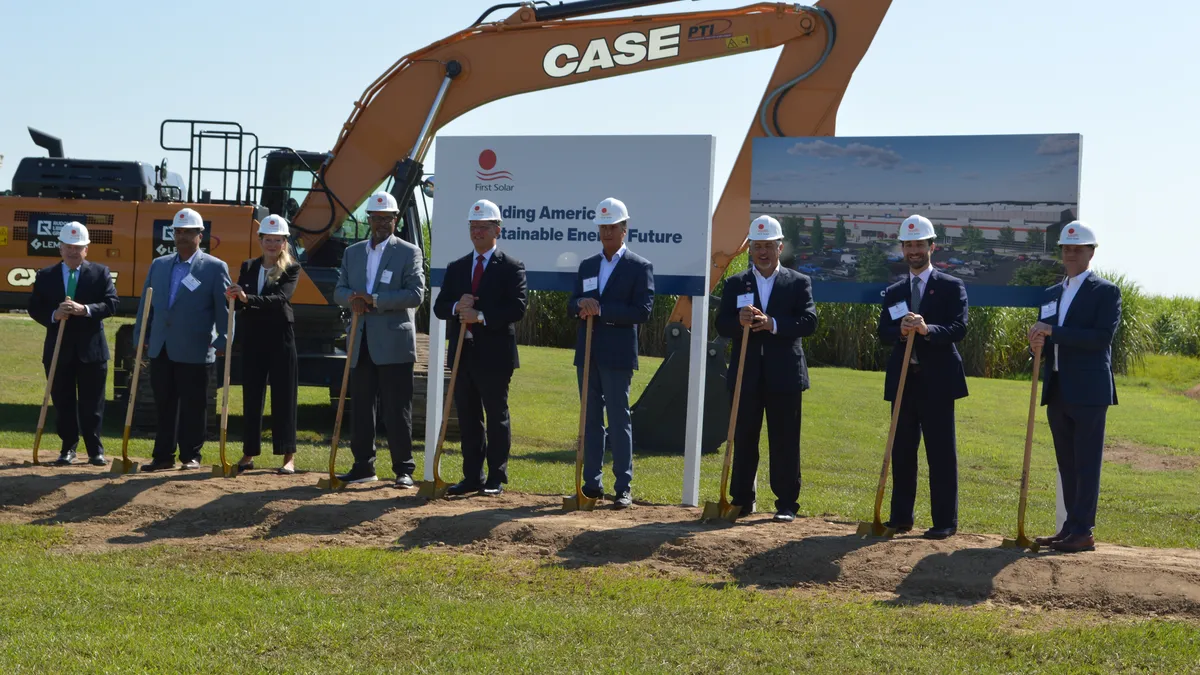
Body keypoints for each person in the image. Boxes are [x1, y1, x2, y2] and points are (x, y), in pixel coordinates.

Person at [715, 216, 818, 522]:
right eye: (757, 246)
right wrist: (740, 322)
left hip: (785, 374)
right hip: (746, 373)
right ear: (751, 249)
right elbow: (722, 324)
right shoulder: (736, 284)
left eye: (768, 246)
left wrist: (773, 324)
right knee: (744, 436)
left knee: (785, 439)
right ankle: (742, 500)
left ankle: (786, 503)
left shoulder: (799, 282)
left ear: (779, 247)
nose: (762, 252)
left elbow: (809, 322)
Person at [1029, 220, 1120, 553]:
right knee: (1066, 462)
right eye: (1066, 248)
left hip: (1089, 391)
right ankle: (1070, 527)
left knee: (1086, 463)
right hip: (1058, 389)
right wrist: (1037, 340)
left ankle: (1085, 531)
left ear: (1090, 253)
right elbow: (1046, 337)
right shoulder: (1053, 293)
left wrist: (1053, 333)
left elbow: (1100, 338)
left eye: (1077, 248)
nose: (1070, 254)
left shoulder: (1105, 292)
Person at [876, 214, 969, 539]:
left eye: (919, 244)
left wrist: (928, 329)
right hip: (904, 380)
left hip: (938, 381)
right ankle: (901, 517)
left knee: (940, 452)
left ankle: (945, 521)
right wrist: (899, 330)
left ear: (932, 246)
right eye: (908, 245)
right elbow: (882, 331)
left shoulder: (951, 286)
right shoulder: (894, 291)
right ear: (902, 249)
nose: (914, 250)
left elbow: (959, 328)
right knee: (901, 450)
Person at [432, 199, 528, 496]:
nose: (477, 232)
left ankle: (496, 477)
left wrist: (482, 316)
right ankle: (472, 475)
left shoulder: (511, 267)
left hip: (495, 355)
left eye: (483, 227)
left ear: (497, 229)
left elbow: (518, 308)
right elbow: (439, 307)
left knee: (496, 415)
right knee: (468, 416)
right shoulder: (457, 267)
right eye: (473, 226)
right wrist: (456, 307)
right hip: (463, 354)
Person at [333, 191, 426, 486]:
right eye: (376, 218)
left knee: (397, 409)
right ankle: (363, 466)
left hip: (394, 344)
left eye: (387, 218)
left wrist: (373, 300)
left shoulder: (408, 252)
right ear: (369, 219)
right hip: (360, 342)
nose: (381, 223)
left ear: (395, 220)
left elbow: (415, 294)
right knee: (360, 407)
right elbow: (339, 290)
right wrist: (352, 299)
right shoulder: (353, 252)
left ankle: (403, 470)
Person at [567, 197, 654, 508]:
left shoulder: (639, 267)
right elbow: (572, 303)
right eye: (602, 227)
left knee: (619, 420)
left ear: (624, 229)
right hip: (587, 353)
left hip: (617, 355)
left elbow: (642, 311)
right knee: (590, 420)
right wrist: (580, 305)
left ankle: (623, 486)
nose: (606, 232)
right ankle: (592, 484)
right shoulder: (588, 265)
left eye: (611, 227)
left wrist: (602, 309)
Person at [134, 207, 232, 471]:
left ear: (201, 235)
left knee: (194, 405)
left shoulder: (214, 268)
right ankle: (162, 456)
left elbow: (223, 309)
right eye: (178, 231)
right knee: (164, 403)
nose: (182, 236)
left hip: (196, 348)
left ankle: (191, 456)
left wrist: (224, 339)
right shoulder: (160, 264)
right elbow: (147, 304)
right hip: (161, 346)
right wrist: (140, 335)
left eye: (188, 232)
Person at [27, 222, 118, 466]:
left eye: (78, 248)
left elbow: (111, 304)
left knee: (93, 404)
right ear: (60, 248)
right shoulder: (46, 276)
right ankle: (68, 448)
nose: (73, 252)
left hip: (92, 351)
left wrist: (85, 309)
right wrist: (54, 315)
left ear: (86, 249)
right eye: (68, 247)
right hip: (59, 350)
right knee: (63, 401)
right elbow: (34, 307)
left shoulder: (100, 273)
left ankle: (95, 450)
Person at [225, 214, 301, 474]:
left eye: (277, 240)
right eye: (267, 239)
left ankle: (288, 456)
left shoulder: (291, 268)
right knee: (252, 396)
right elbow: (241, 299)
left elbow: (281, 298)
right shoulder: (248, 266)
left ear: (284, 242)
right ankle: (249, 452)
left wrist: (248, 299)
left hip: (281, 337)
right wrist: (233, 297)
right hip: (252, 337)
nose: (271, 244)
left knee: (285, 396)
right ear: (260, 240)